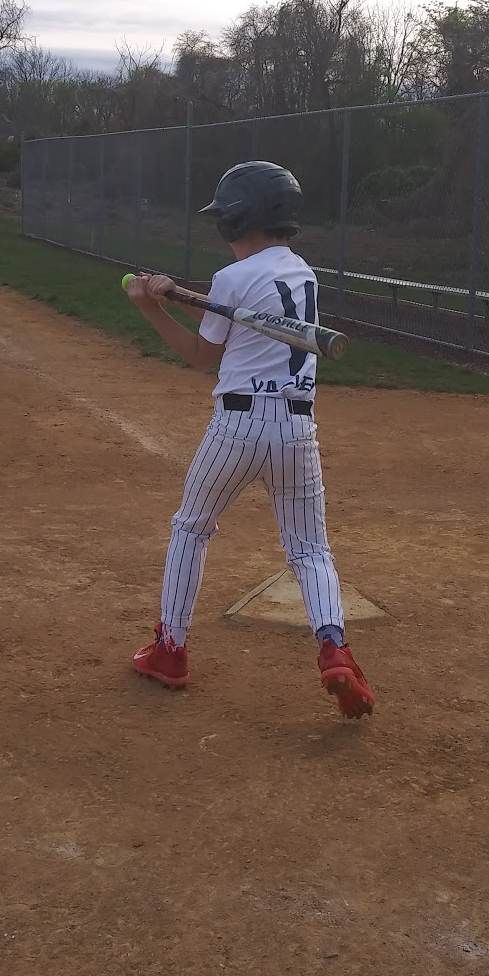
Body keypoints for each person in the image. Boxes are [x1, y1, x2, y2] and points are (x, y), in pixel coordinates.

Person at [124, 160, 375, 719]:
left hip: (236, 428)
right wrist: (182, 297)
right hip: (297, 430)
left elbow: (202, 355)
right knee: (310, 548)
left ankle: (170, 650)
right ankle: (335, 648)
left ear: (236, 220)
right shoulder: (304, 274)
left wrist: (150, 307)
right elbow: (243, 315)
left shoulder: (231, 278)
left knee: (191, 527)